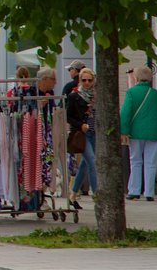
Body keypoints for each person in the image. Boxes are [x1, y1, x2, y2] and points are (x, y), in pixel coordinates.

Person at [121, 66, 157, 202]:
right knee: (151, 162)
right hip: (153, 132)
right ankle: (149, 192)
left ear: (136, 77)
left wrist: (124, 131)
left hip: (136, 132)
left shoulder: (131, 92)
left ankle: (134, 190)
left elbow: (125, 113)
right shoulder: (156, 94)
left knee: (135, 161)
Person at [67, 68, 97, 209]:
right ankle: (97, 195)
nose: (86, 83)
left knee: (85, 164)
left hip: (95, 133)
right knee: (92, 162)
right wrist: (80, 125)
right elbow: (69, 116)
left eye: (89, 80)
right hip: (83, 134)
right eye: (84, 80)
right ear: (80, 80)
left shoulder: (97, 96)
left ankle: (72, 193)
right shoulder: (75, 96)